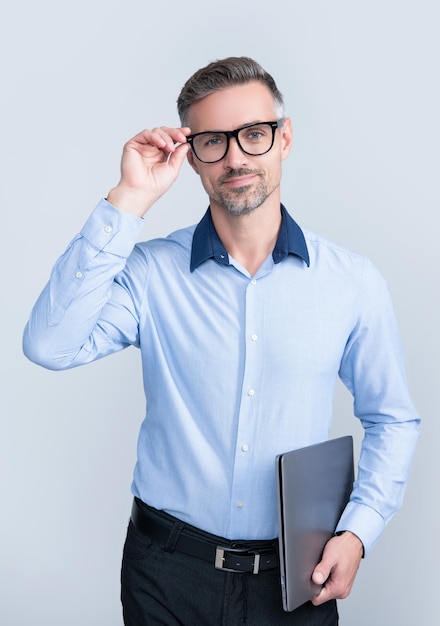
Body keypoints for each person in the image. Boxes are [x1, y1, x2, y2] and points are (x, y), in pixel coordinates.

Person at [23, 56, 420, 625]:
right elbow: (49, 344)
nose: (235, 158)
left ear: (284, 140)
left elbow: (393, 419)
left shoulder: (352, 282)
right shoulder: (150, 272)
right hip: (165, 572)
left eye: (253, 135)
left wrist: (358, 533)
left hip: (295, 579)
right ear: (191, 158)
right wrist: (128, 199)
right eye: (213, 141)